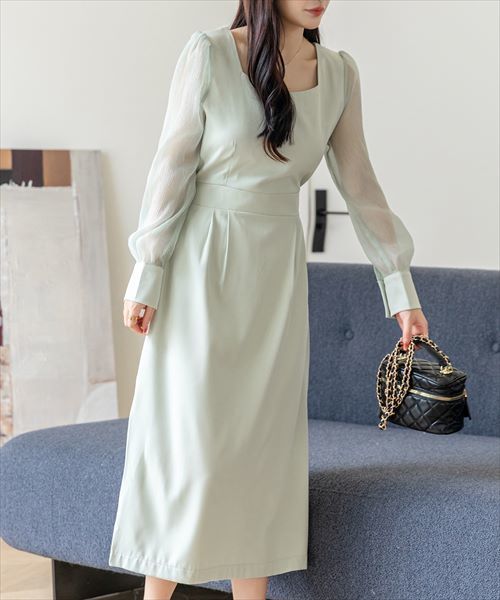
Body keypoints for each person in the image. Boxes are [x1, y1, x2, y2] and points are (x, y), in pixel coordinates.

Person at [108, 1, 429, 599]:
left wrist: (399, 289)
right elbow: (172, 168)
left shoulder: (339, 74)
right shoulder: (209, 53)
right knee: (187, 446)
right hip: (200, 266)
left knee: (262, 450)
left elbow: (361, 185)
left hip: (276, 272)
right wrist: (147, 271)